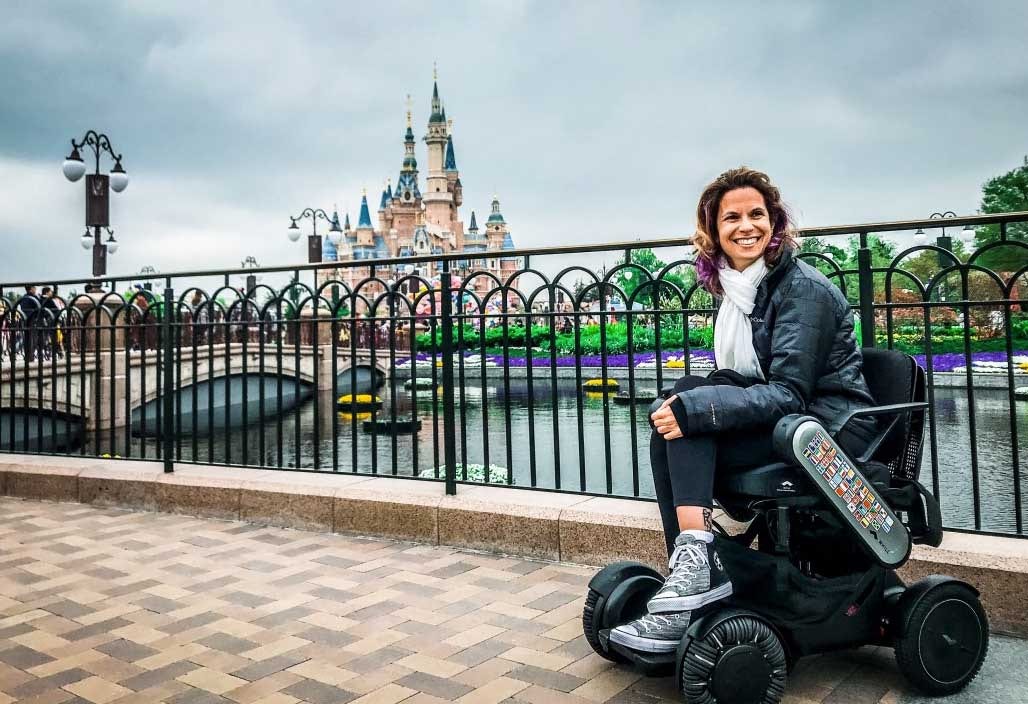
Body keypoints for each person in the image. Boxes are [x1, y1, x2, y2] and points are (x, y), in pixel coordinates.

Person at [610, 167, 879, 654]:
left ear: (775, 224)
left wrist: (698, 411)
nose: (745, 226)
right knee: (678, 412)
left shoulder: (804, 290)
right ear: (714, 231)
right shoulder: (740, 290)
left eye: (757, 214)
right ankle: (697, 569)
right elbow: (737, 382)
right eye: (731, 217)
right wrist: (686, 403)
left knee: (690, 421)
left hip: (825, 432)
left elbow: (790, 393)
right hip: (787, 423)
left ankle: (696, 572)